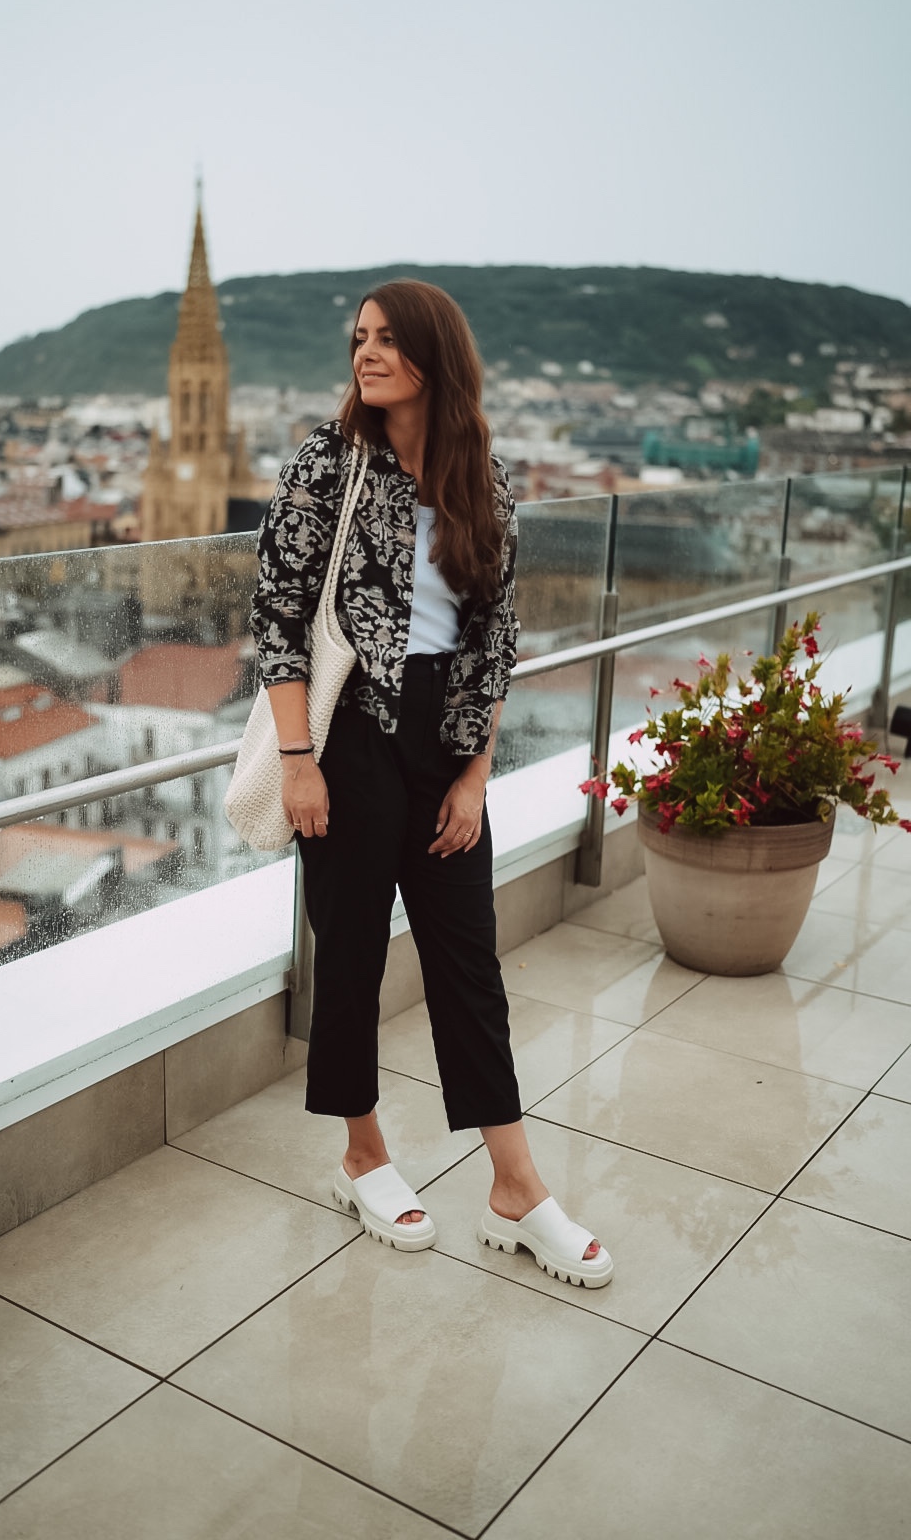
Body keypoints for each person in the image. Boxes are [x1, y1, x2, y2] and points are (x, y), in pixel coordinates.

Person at [249, 279, 612, 1288]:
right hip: (350, 739)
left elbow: (496, 638)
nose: (365, 352)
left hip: (445, 744)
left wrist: (477, 773)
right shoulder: (328, 463)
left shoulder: (481, 477)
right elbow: (278, 616)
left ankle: (515, 1187)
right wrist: (298, 762)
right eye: (358, 337)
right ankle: (362, 1155)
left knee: (468, 965)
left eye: (386, 338)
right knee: (352, 954)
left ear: (433, 355)